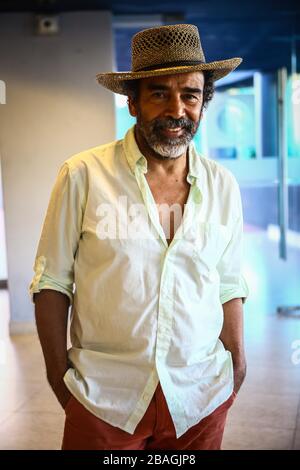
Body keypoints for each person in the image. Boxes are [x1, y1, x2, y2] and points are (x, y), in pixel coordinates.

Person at [30, 23, 248, 450]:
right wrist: (61, 381)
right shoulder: (83, 175)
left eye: (190, 94)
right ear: (132, 103)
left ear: (204, 103)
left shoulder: (223, 186)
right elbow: (51, 283)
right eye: (159, 93)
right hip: (105, 399)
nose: (177, 109)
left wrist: (236, 365)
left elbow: (228, 283)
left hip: (199, 398)